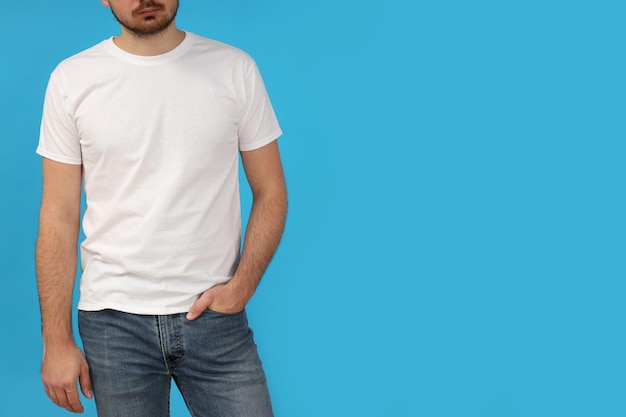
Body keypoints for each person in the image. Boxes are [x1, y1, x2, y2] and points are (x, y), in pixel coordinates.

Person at [35, 0, 287, 415]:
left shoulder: (234, 68)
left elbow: (271, 191)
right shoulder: (71, 79)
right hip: (113, 324)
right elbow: (57, 218)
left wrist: (242, 286)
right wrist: (56, 342)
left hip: (215, 319)